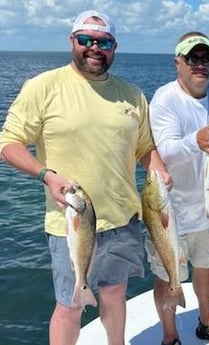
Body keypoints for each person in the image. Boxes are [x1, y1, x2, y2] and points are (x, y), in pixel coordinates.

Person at [0, 10, 171, 345]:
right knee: (70, 305)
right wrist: (45, 174)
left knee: (114, 294)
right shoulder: (42, 87)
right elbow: (8, 142)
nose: (95, 47)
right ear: (72, 42)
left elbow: (145, 149)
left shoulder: (132, 95)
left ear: (114, 47)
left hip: (123, 218)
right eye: (86, 40)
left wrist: (159, 169)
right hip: (71, 222)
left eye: (103, 41)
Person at [146, 31, 209, 345]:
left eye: (206, 58)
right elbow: (165, 150)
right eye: (192, 58)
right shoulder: (164, 98)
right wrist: (194, 142)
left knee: (206, 267)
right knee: (167, 275)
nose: (200, 64)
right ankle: (170, 335)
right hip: (172, 211)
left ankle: (207, 321)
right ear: (178, 63)